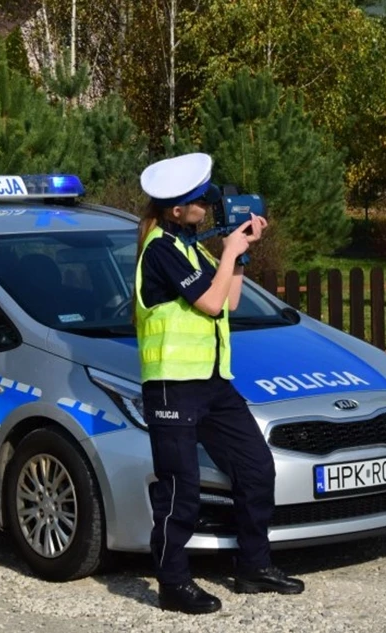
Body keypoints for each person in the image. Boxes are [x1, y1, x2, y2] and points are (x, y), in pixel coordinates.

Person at [133, 153, 304, 614]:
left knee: (255, 468)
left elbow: (227, 299)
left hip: (212, 382)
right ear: (175, 211)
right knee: (180, 489)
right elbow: (209, 304)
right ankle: (173, 584)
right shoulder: (161, 250)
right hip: (173, 384)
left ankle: (253, 566)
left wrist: (240, 253)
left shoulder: (191, 247)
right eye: (199, 204)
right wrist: (227, 251)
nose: (206, 209)